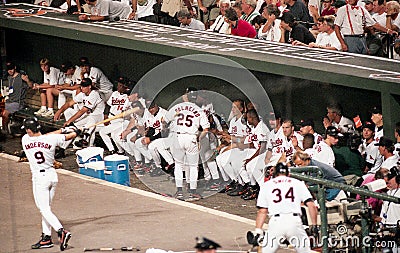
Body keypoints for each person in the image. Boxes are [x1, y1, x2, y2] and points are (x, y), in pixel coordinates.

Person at [21, 117, 78, 250]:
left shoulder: (25, 140)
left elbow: (46, 137)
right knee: (46, 209)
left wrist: (64, 130)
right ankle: (46, 238)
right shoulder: (51, 140)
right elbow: (68, 137)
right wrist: (76, 132)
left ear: (29, 130)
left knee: (44, 208)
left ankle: (61, 231)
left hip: (40, 179)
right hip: (52, 176)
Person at [254, 162, 318, 253]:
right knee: (306, 251)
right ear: (288, 174)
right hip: (294, 221)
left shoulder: (266, 185)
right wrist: (314, 225)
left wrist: (258, 230)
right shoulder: (298, 183)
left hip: (276, 223)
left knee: (265, 251)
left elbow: (262, 211)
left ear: (275, 174)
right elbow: (311, 205)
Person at [164, 88, 210, 201]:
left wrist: (165, 128)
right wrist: (199, 138)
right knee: (193, 166)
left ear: (187, 96)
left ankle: (179, 191)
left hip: (178, 137)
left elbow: (164, 121)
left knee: (179, 165)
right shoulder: (199, 110)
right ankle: (192, 192)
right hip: (191, 138)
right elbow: (206, 129)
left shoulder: (177, 107)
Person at [54, 78, 105, 149]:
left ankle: (84, 140)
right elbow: (69, 103)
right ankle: (63, 148)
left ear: (89, 86)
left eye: (84, 86)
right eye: (81, 86)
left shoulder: (94, 94)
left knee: (78, 124)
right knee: (70, 115)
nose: (82, 88)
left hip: (99, 118)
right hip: (89, 117)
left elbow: (82, 111)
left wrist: (69, 121)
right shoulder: (82, 94)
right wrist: (59, 111)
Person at [99, 76, 132, 154]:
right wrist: (106, 116)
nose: (118, 86)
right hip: (112, 117)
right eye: (118, 84)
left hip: (121, 120)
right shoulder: (114, 93)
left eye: (120, 85)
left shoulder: (128, 97)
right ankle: (120, 151)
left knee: (103, 132)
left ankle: (113, 151)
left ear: (126, 87)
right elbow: (108, 105)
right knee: (114, 135)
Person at [2, 61, 31, 132]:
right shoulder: (9, 78)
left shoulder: (21, 77)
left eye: (11, 69)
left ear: (14, 68)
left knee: (5, 113)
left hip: (18, 103)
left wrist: (27, 80)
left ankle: (5, 131)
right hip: (10, 101)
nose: (10, 71)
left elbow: (31, 86)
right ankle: (7, 128)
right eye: (8, 69)